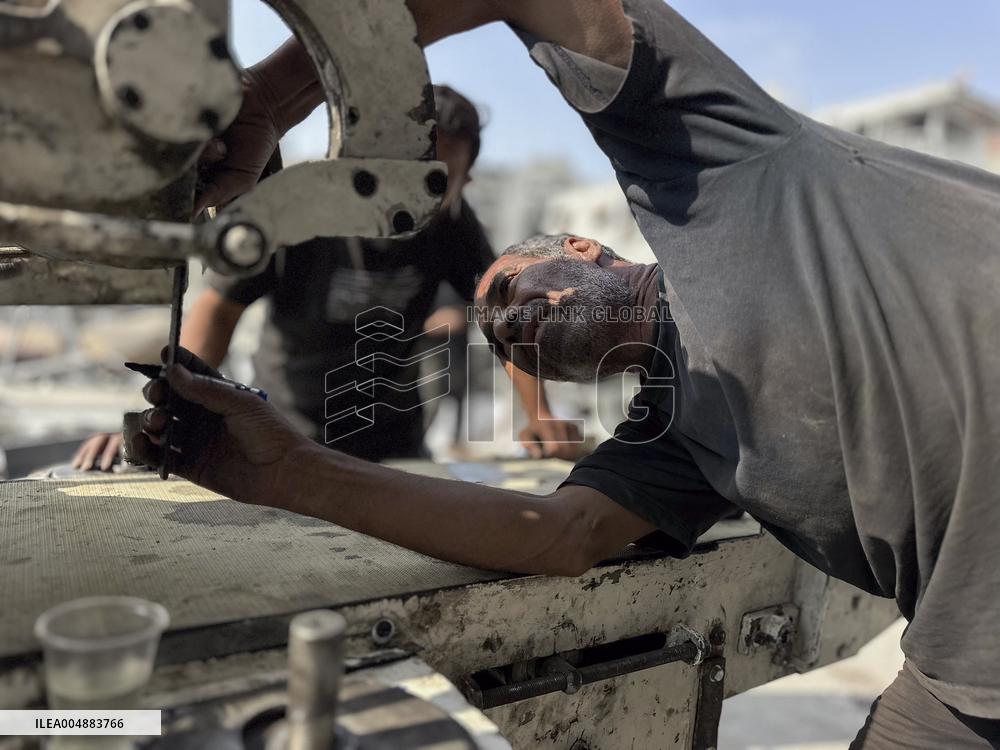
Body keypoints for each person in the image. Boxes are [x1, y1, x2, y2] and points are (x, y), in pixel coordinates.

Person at [128, 1, 1000, 747]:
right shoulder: (677, 442)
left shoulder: (720, 176)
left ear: (583, 249)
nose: (510, 326)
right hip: (976, 665)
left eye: (511, 292)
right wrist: (286, 470)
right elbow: (553, 534)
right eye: (505, 345)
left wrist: (269, 99)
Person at [73, 85, 584, 470]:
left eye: (437, 185)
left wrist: (539, 414)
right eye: (410, 177)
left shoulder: (452, 224)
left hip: (394, 441)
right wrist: (173, 409)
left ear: (463, 183)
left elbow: (503, 318)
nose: (414, 203)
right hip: (289, 429)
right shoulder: (303, 208)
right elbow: (219, 308)